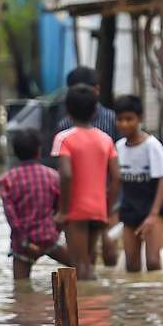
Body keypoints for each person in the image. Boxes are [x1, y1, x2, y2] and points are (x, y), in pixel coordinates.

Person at [52, 85, 120, 281]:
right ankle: (96, 307)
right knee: (89, 261)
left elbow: (65, 174)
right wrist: (107, 208)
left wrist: (64, 210)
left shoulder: (63, 138)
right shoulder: (105, 139)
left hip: (75, 210)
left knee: (79, 264)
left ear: (68, 110)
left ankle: (88, 307)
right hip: (98, 210)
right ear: (95, 111)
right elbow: (117, 178)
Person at [0, 128, 73, 280]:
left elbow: (12, 219)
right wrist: (54, 232)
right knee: (80, 268)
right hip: (49, 239)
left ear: (15, 152)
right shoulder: (52, 176)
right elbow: (62, 209)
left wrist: (25, 243)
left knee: (20, 289)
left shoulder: (8, 180)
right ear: (39, 151)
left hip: (23, 245)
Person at [112, 94, 163, 272]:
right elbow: (116, 182)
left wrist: (153, 215)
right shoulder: (119, 147)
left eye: (129, 119)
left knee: (153, 262)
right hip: (129, 210)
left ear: (139, 119)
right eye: (120, 119)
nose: (124, 124)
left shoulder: (152, 146)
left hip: (150, 210)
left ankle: (154, 297)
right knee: (132, 265)